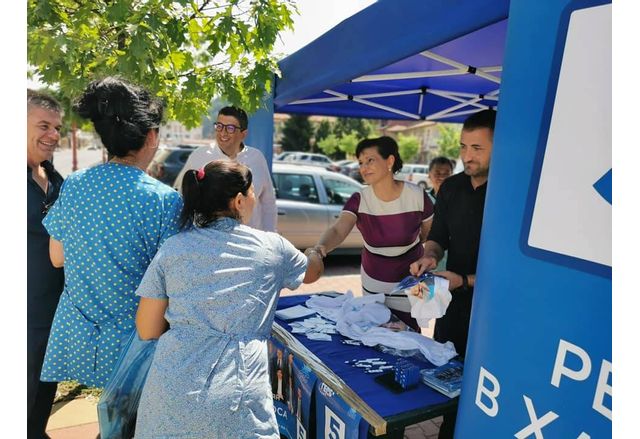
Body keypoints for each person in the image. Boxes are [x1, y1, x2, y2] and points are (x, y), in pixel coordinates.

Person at [133, 160, 324, 438]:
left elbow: (147, 328)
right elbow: (312, 272)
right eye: (252, 194)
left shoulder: (172, 248)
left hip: (170, 392)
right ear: (238, 201)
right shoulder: (271, 247)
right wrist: (316, 252)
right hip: (238, 394)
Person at [40, 77, 183, 389]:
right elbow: (173, 281)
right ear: (151, 136)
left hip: (80, 335)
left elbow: (57, 257)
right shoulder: (163, 200)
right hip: (135, 342)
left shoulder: (75, 185)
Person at [410, 109, 496, 439]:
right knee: (447, 381)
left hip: (492, 310)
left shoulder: (509, 193)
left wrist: (466, 280)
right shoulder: (452, 187)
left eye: (477, 148)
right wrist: (429, 259)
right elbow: (438, 237)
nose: (467, 156)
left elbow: (512, 269)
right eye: (463, 147)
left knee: (482, 388)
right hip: (452, 305)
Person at [309, 136, 434, 331]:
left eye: (370, 160)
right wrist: (320, 248)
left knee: (413, 336)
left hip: (413, 280)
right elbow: (338, 229)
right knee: (377, 335)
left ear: (390, 161)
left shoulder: (417, 195)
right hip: (374, 280)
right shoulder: (359, 199)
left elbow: (429, 234)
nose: (364, 167)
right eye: (360, 162)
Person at [27, 89, 65, 439]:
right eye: (44, 125)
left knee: (39, 407)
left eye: (57, 128)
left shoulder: (56, 180)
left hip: (53, 318)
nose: (53, 135)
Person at [174, 106, 277, 231]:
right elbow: (181, 195)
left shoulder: (257, 158)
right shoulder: (199, 156)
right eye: (219, 126)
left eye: (230, 128)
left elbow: (268, 202)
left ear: (243, 134)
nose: (223, 133)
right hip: (207, 240)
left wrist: (270, 235)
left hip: (250, 241)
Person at [426, 156, 455, 272]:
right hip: (429, 259)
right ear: (429, 175)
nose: (442, 177)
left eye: (446, 173)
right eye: (437, 173)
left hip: (453, 261)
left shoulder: (460, 200)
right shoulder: (423, 200)